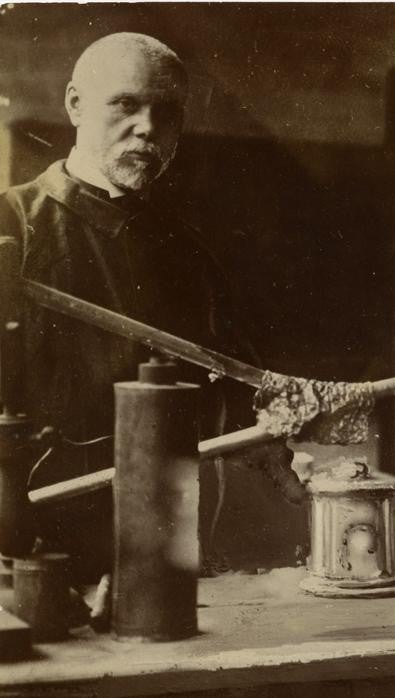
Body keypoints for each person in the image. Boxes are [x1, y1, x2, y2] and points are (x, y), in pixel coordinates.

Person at [0, 33, 295, 579]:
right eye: (125, 104)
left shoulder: (188, 254)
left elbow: (243, 391)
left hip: (166, 544)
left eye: (167, 112)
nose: (147, 128)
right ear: (75, 105)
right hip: (33, 542)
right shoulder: (10, 223)